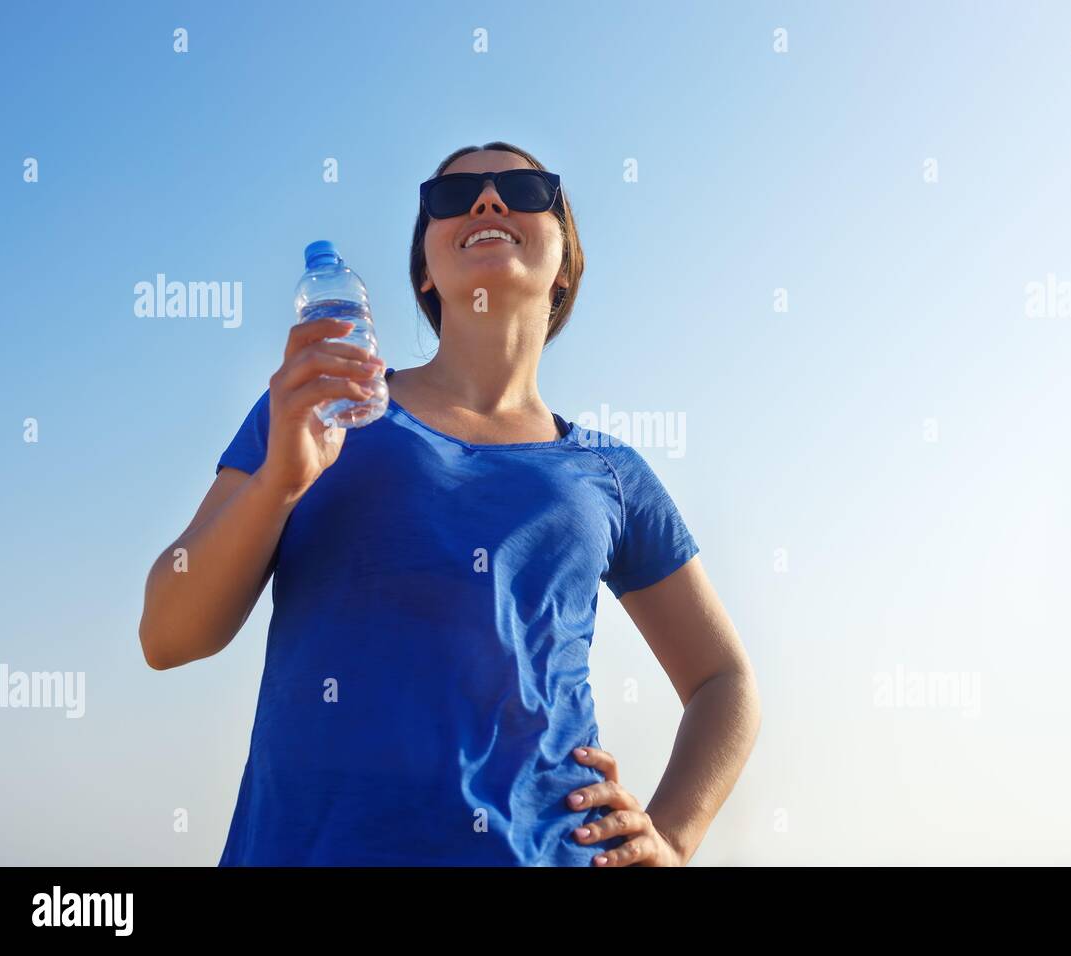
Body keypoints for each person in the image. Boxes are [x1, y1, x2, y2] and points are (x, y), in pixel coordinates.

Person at [137, 141, 761, 866]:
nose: (488, 200)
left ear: (565, 266)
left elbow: (727, 682)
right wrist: (279, 481)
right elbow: (167, 635)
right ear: (425, 276)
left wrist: (674, 836)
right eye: (451, 196)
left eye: (525, 188)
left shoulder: (609, 473)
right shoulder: (318, 410)